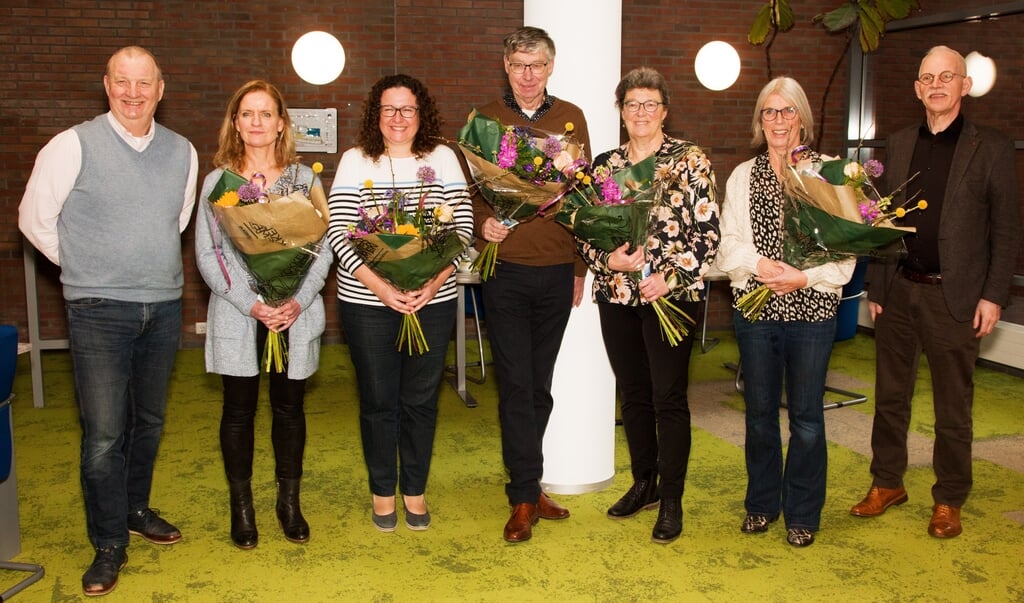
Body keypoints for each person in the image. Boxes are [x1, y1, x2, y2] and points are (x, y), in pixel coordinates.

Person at [18, 46, 197, 596]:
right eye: (123, 81)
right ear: (106, 85)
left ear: (160, 90)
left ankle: (135, 509)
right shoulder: (72, 144)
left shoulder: (183, 151)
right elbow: (33, 218)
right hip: (97, 310)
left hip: (163, 307)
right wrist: (86, 267)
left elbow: (179, 219)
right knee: (103, 435)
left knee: (149, 423)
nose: (133, 92)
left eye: (144, 83)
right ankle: (108, 542)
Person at [850, 46, 1020, 538]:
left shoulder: (991, 146)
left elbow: (1006, 230)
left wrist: (993, 295)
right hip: (900, 290)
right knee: (890, 398)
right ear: (918, 89)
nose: (937, 85)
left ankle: (948, 498)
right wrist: (878, 286)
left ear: (965, 86)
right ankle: (887, 483)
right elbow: (883, 221)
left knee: (953, 406)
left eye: (948, 76)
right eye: (928, 77)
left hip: (957, 297)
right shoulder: (899, 143)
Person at [578, 67, 719, 544]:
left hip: (672, 296)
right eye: (632, 104)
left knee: (669, 397)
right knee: (633, 393)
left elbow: (708, 233)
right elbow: (585, 232)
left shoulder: (689, 159)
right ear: (621, 110)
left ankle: (673, 498)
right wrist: (607, 258)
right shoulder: (603, 165)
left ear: (664, 111)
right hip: (616, 293)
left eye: (649, 104)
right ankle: (645, 482)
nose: (640, 112)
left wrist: (669, 276)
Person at [326, 74, 473, 532]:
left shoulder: (443, 158)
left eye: (407, 109)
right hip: (367, 303)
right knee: (377, 402)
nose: (398, 118)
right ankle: (382, 491)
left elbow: (463, 230)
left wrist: (431, 283)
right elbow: (339, 233)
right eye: (389, 109)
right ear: (376, 114)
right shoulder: (355, 161)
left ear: (420, 113)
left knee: (421, 401)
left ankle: (415, 489)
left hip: (432, 300)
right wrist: (382, 288)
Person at [718, 76, 855, 548]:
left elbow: (846, 252)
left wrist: (804, 277)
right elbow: (727, 245)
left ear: (803, 118)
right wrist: (759, 265)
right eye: (769, 112)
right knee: (758, 413)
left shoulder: (828, 172)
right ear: (760, 120)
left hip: (813, 309)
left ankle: (802, 513)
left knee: (807, 417)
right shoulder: (742, 176)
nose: (778, 121)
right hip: (756, 311)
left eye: (787, 111)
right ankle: (760, 505)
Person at [195, 80, 332, 549]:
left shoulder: (304, 181)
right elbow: (209, 255)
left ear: (280, 124)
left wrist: (297, 300)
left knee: (289, 410)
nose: (257, 122)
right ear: (235, 123)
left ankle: (288, 504)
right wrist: (251, 304)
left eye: (266, 114)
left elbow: (322, 251)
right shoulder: (218, 184)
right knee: (238, 412)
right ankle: (243, 508)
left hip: (294, 314)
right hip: (239, 314)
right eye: (247, 113)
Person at [469, 26, 591, 543]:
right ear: (505, 66)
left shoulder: (572, 118)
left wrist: (582, 269)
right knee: (515, 385)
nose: (527, 75)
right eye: (519, 64)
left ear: (551, 67)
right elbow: (471, 190)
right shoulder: (485, 122)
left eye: (536, 65)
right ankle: (523, 497)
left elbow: (587, 195)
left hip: (557, 270)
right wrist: (482, 225)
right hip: (506, 271)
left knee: (539, 389)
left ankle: (528, 481)